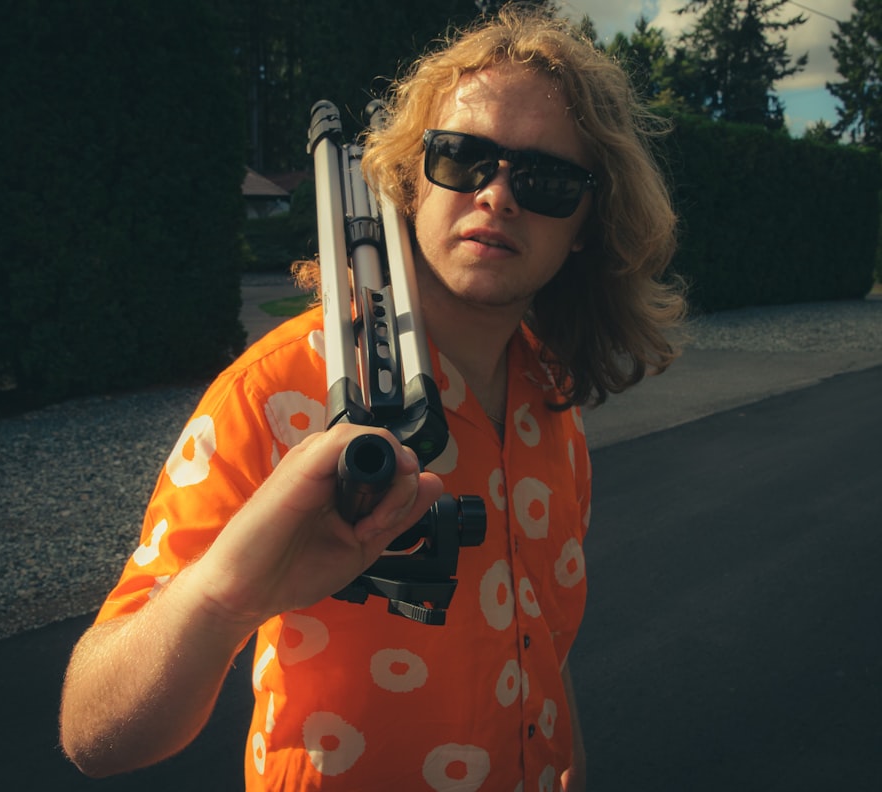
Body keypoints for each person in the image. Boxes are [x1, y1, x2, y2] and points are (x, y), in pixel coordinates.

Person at [59, 6, 685, 791]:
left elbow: (541, 646)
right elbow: (94, 733)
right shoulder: (274, 392)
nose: (498, 196)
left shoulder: (550, 396)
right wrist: (222, 599)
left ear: (589, 225)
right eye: (462, 157)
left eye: (548, 180)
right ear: (409, 179)